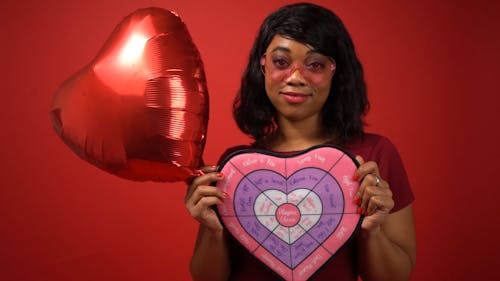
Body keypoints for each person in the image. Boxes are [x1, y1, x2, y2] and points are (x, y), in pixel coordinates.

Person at [185, 2, 416, 280]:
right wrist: (213, 229)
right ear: (263, 67)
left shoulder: (373, 156)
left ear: (336, 72)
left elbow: (396, 277)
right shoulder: (236, 167)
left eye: (315, 64)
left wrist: (373, 229)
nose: (296, 77)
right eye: (281, 62)